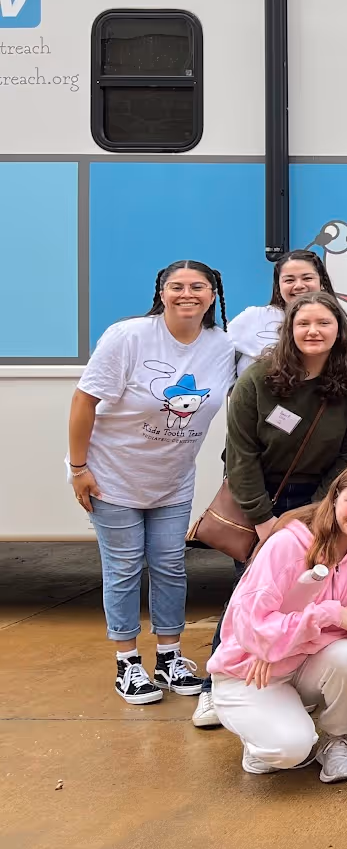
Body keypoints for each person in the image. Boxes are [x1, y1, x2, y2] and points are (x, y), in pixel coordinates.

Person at [200, 291, 347, 727]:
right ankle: (217, 684)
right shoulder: (258, 379)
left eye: (324, 324)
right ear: (289, 330)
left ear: (340, 330)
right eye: (303, 324)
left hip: (324, 498)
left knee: (317, 588)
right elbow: (239, 454)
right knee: (252, 592)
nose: (313, 332)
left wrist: (317, 512)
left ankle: (295, 677)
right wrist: (263, 521)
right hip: (259, 494)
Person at [68, 260, 234, 705]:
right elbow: (84, 401)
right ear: (161, 293)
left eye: (197, 286)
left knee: (170, 568)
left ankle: (169, 656)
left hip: (172, 481)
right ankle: (127, 662)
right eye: (175, 286)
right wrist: (78, 467)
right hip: (112, 476)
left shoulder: (222, 345)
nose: (187, 294)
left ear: (212, 294)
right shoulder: (129, 336)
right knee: (123, 569)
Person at [207, 461, 347, 781]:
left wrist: (283, 644)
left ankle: (336, 740)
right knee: (290, 751)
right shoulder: (289, 543)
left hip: (292, 659)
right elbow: (250, 624)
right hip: (251, 669)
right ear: (335, 495)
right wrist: (326, 616)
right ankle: (259, 740)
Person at [228, 249, 336, 377]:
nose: (299, 285)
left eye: (307, 278)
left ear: (321, 282)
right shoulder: (254, 317)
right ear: (278, 286)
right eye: (289, 280)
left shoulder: (336, 320)